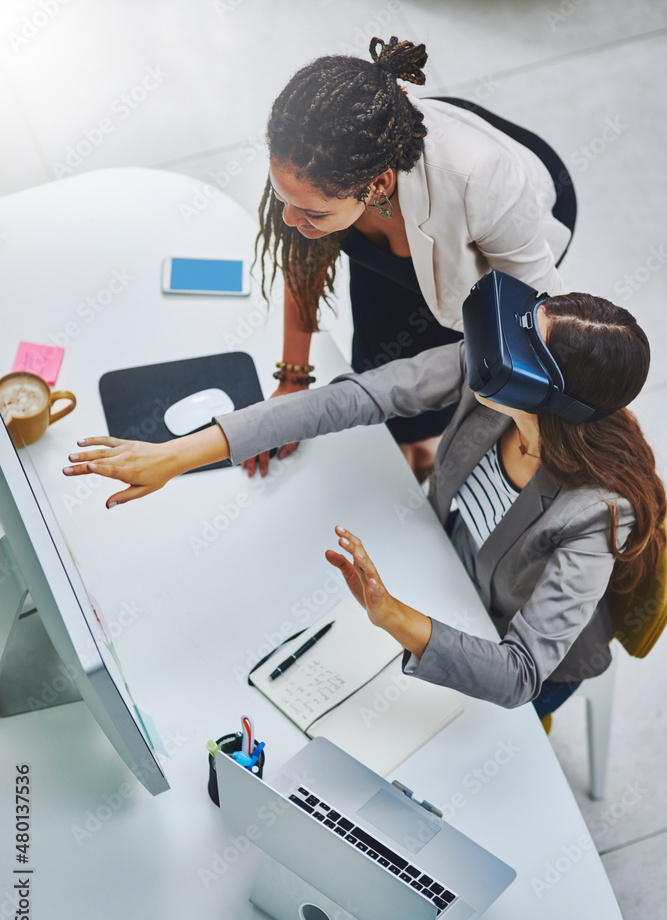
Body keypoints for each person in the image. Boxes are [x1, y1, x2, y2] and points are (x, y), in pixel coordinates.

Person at [62, 286, 666, 718]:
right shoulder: (493, 378)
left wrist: (389, 614)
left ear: (550, 396)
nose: (500, 344)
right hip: (440, 565)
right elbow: (357, 398)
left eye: (526, 344)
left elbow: (521, 674)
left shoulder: (599, 512)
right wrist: (182, 455)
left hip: (506, 644)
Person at [249, 35, 575, 478]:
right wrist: (293, 378)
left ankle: (421, 446)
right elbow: (304, 258)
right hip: (399, 187)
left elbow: (540, 317)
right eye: (280, 195)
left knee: (446, 350)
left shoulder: (484, 183)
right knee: (379, 340)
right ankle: (404, 440)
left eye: (310, 211)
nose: (288, 218)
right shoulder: (309, 161)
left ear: (378, 186)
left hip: (514, 214)